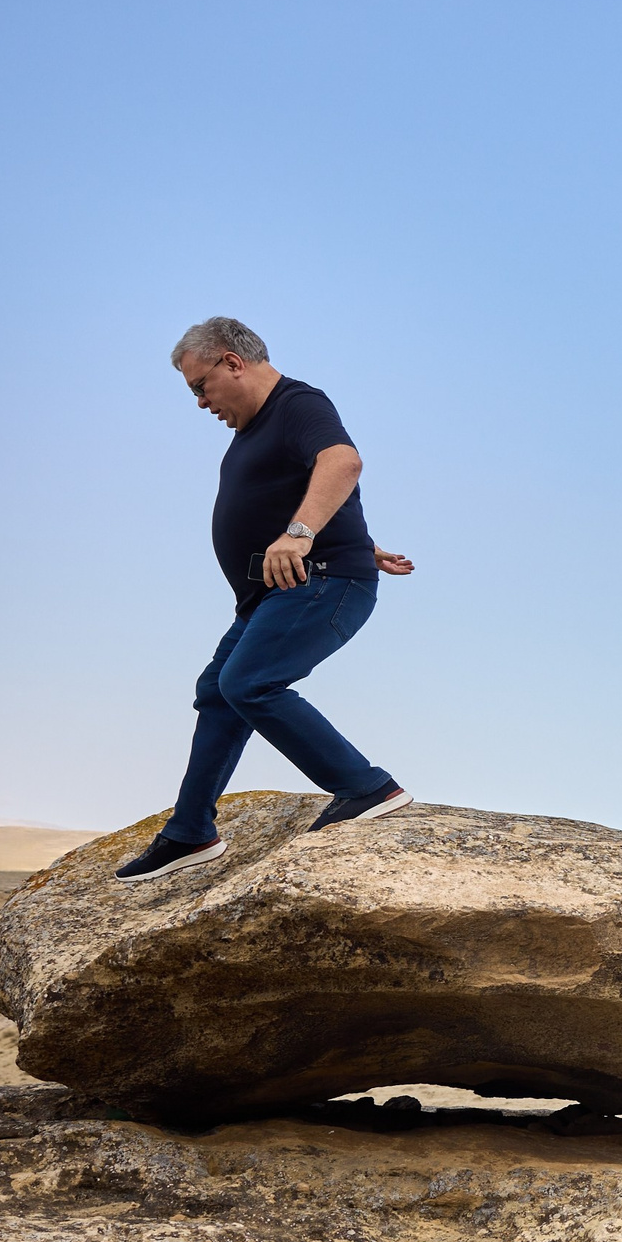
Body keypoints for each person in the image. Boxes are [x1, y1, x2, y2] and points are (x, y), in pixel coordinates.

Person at [114, 318, 415, 881]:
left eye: (200, 385)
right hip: (278, 592)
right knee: (219, 692)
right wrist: (364, 544)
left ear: (233, 362)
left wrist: (302, 535)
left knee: (249, 683)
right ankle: (189, 833)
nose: (201, 402)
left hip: (320, 581)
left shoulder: (296, 403)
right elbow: (298, 488)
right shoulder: (257, 430)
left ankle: (366, 787)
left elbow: (342, 462)